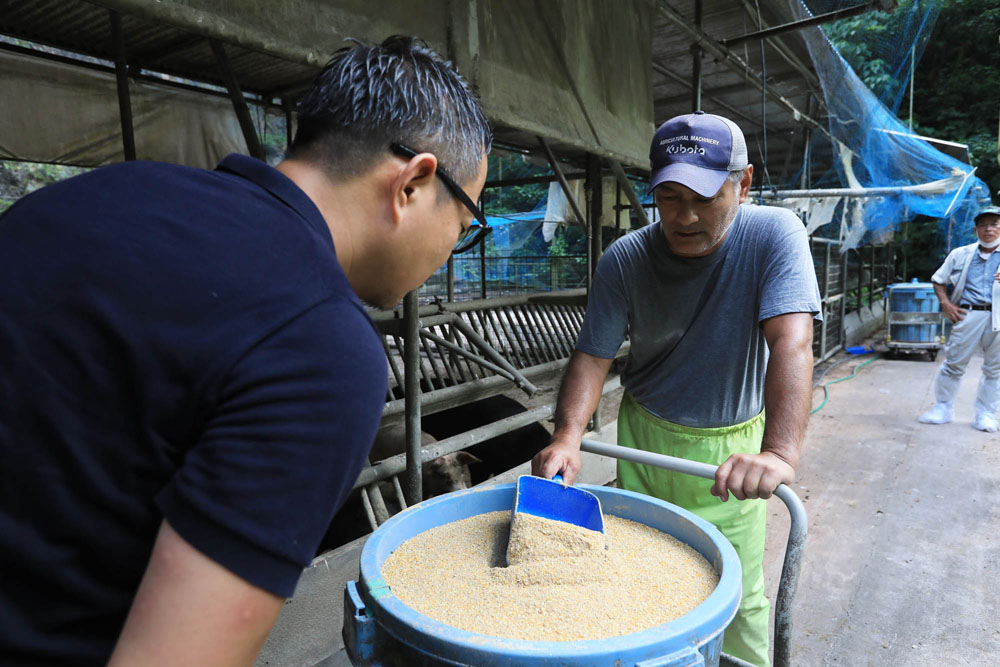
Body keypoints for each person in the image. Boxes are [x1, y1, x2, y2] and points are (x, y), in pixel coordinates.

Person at [0, 35, 491, 666]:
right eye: (464, 223)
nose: (453, 246)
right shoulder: (325, 346)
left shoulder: (96, 195)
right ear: (414, 182)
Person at [532, 111, 821, 667]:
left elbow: (791, 342)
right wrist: (568, 437)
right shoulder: (626, 258)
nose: (684, 217)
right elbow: (592, 357)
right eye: (668, 197)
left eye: (704, 197)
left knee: (733, 591)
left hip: (729, 453)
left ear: (744, 183)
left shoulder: (773, 235)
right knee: (642, 573)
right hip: (641, 435)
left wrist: (779, 454)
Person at [917, 205, 1000, 432]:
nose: (988, 229)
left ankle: (986, 414)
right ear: (975, 230)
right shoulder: (961, 253)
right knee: (954, 363)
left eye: (994, 224)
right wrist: (946, 303)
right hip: (968, 313)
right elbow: (938, 279)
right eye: (983, 225)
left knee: (995, 369)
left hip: (999, 316)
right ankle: (943, 408)